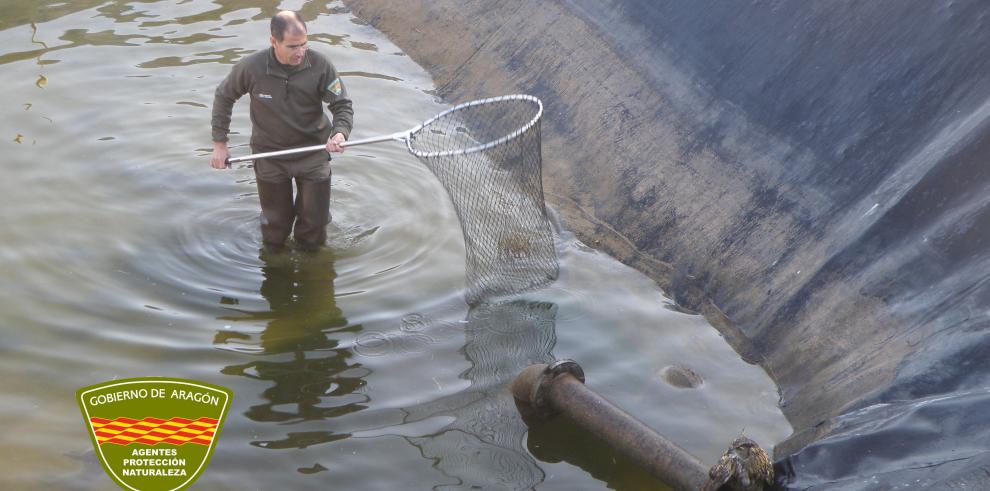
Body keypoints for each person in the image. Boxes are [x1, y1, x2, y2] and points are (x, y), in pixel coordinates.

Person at [210, 10, 353, 253]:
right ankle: (275, 267)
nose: (300, 52)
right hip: (269, 156)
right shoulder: (252, 68)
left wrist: (339, 133)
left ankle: (312, 266)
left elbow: (342, 105)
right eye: (293, 46)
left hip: (313, 153)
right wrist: (219, 144)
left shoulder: (321, 66)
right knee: (275, 227)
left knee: (315, 227)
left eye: (304, 44)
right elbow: (224, 97)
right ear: (273, 42)